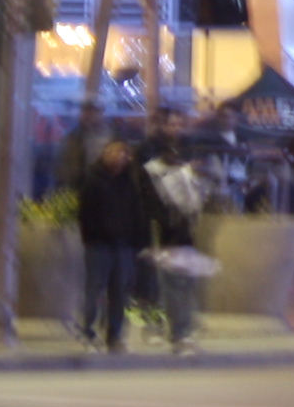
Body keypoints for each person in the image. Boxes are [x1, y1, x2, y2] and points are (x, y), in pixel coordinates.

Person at [76, 137, 150, 352]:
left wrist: (137, 241)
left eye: (123, 154)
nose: (119, 158)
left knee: (119, 293)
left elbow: (137, 214)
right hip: (98, 245)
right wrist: (91, 237)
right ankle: (88, 333)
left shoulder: (129, 183)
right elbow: (85, 214)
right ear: (104, 155)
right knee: (94, 289)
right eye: (114, 153)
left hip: (122, 246)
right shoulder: (93, 181)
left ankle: (114, 336)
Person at [141, 136, 204, 354]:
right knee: (171, 287)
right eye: (171, 152)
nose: (176, 157)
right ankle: (176, 332)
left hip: (184, 237)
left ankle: (181, 331)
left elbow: (194, 206)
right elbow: (154, 209)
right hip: (165, 237)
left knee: (184, 286)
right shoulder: (151, 174)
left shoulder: (184, 174)